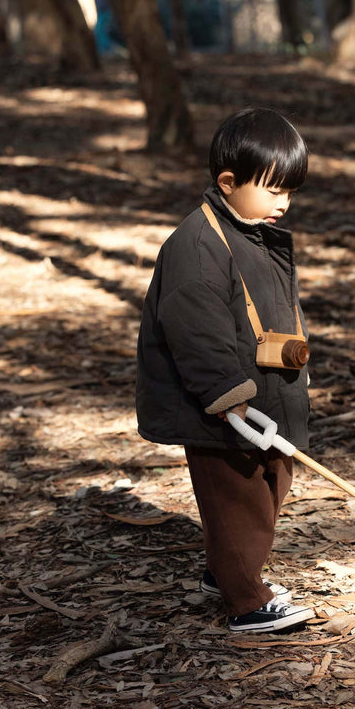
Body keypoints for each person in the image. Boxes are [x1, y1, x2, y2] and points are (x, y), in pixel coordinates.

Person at [135, 107, 317, 633]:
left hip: (268, 397)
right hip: (221, 405)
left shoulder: (256, 235)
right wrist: (226, 394)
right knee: (234, 498)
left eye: (290, 192)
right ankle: (245, 601)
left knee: (270, 487)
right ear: (228, 183)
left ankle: (227, 571)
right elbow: (196, 328)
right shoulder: (196, 245)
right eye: (273, 190)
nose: (283, 203)